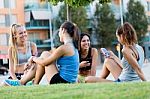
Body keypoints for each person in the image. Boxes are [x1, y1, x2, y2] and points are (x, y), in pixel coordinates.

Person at [4, 21, 80, 86]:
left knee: (44, 55)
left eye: (59, 31)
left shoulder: (65, 47)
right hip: (66, 80)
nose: (58, 34)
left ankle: (23, 82)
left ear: (63, 30)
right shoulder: (71, 46)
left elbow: (44, 63)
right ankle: (33, 84)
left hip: (61, 81)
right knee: (44, 55)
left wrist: (33, 58)